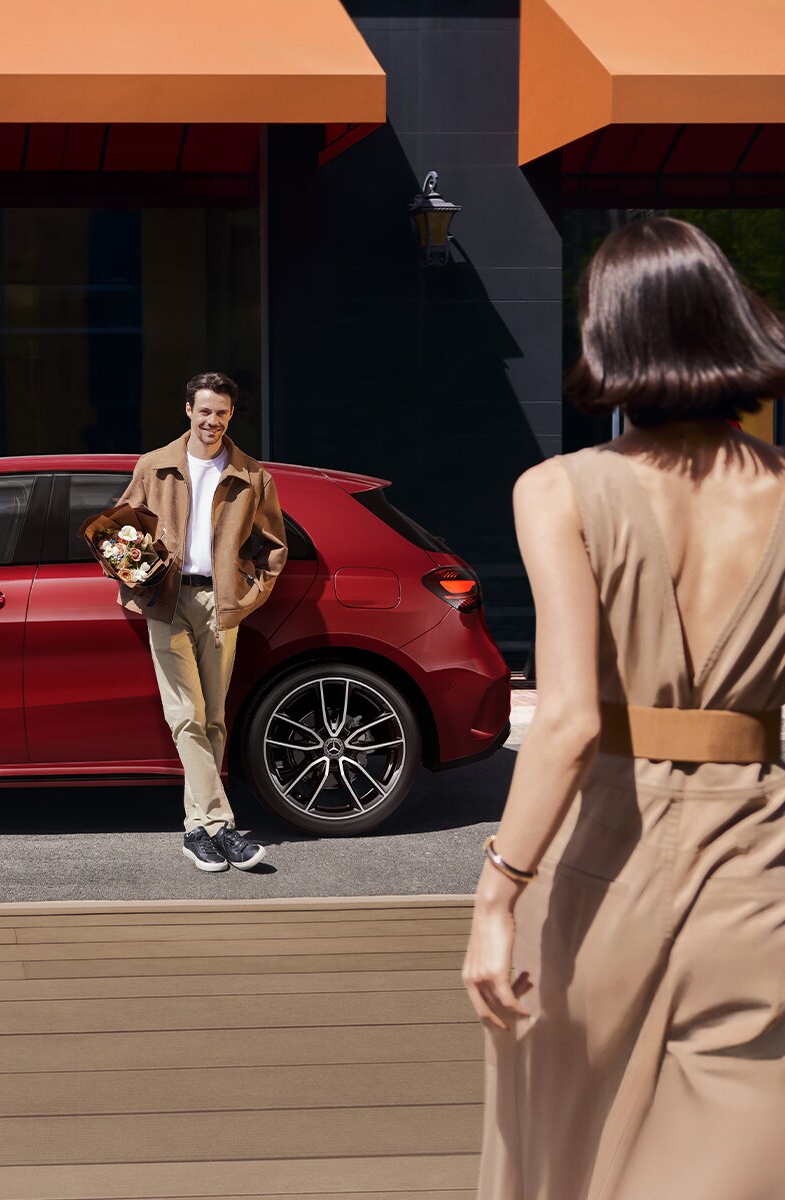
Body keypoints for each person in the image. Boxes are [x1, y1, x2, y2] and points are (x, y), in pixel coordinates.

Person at [464, 216, 785, 1197]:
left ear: (610, 335)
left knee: (562, 1147)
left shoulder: (559, 489)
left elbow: (563, 722)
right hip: (759, 853)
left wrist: (496, 896)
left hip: (603, 851)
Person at [116, 372, 287, 872]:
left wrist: (246, 593)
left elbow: (273, 549)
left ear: (230, 417)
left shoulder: (253, 475)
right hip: (167, 600)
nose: (213, 422)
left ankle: (197, 829)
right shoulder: (154, 467)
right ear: (188, 410)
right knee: (185, 715)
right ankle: (221, 825)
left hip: (220, 603)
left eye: (223, 413)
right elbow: (120, 532)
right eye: (205, 411)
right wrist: (136, 579)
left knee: (213, 717)